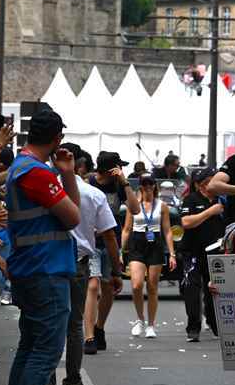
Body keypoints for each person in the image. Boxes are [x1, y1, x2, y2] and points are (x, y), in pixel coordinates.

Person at [2, 109, 80, 385]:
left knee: (29, 348)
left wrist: (65, 175)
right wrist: (66, 176)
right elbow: (74, 217)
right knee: (45, 350)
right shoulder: (35, 172)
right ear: (57, 138)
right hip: (44, 270)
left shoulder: (22, 167)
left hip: (34, 268)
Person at [43, 143, 118, 385]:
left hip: (48, 262)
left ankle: (46, 384)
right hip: (78, 263)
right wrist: (117, 270)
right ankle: (73, 382)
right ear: (81, 164)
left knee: (51, 323)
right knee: (74, 325)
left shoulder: (46, 188)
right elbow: (109, 234)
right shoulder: (93, 194)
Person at [87, 151, 139, 352]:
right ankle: (89, 334)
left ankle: (99, 328)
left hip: (110, 242)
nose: (121, 170)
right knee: (92, 285)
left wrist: (125, 183)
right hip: (90, 242)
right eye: (119, 167)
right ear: (110, 169)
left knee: (108, 288)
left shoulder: (119, 186)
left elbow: (135, 209)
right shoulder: (89, 183)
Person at [122, 175, 176, 339]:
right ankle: (140, 319)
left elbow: (167, 230)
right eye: (144, 184)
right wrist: (120, 252)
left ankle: (151, 325)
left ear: (154, 186)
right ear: (140, 187)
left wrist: (172, 253)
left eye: (150, 184)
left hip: (155, 244)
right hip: (137, 243)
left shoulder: (162, 206)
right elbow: (126, 229)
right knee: (137, 285)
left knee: (152, 287)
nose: (147, 187)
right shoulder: (134, 205)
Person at [179, 168, 224, 342]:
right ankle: (193, 327)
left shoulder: (223, 199)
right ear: (199, 184)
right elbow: (186, 222)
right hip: (193, 253)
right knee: (192, 290)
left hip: (216, 255)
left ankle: (215, 325)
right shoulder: (191, 199)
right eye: (208, 182)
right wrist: (210, 212)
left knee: (214, 291)